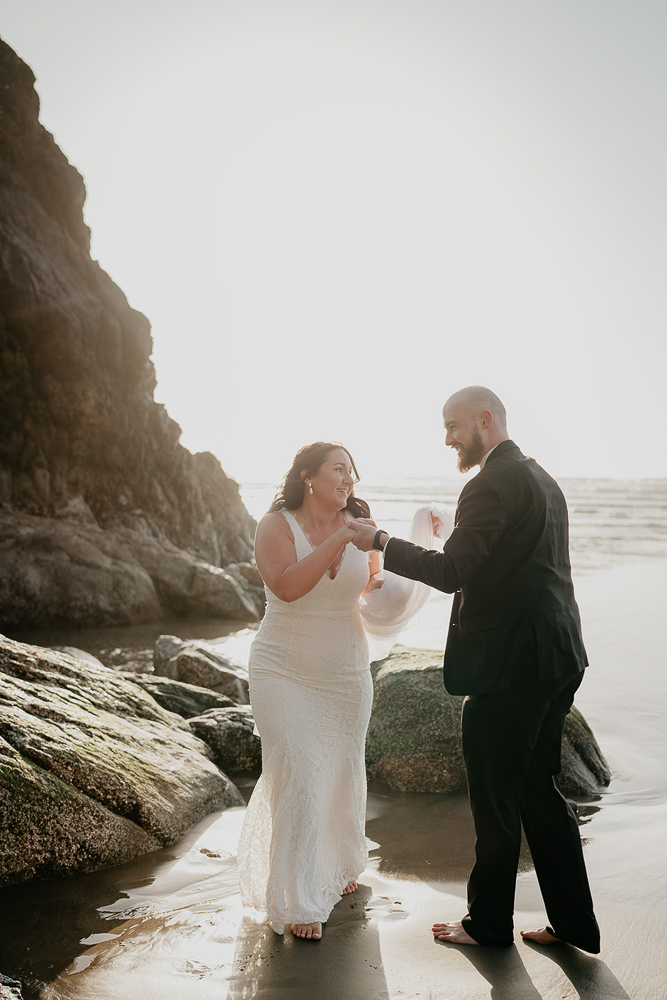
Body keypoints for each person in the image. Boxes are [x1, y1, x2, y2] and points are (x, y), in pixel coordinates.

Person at [349, 386, 601, 953]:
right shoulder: (543, 480)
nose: (447, 438)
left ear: (485, 420)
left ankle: (487, 925)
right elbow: (511, 561)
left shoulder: (487, 484)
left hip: (511, 668)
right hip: (560, 656)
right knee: (539, 789)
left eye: (454, 425)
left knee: (495, 797)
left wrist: (382, 541)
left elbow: (454, 572)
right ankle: (574, 925)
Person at [237, 442, 382, 941]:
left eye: (351, 471)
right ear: (309, 476)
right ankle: (297, 897)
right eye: (338, 469)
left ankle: (340, 866)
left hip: (345, 670)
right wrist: (341, 538)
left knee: (341, 765)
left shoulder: (361, 522)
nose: (348, 479)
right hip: (283, 668)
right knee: (300, 766)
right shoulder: (276, 525)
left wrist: (383, 582)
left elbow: (371, 585)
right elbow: (288, 586)